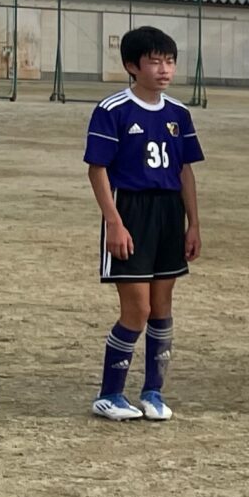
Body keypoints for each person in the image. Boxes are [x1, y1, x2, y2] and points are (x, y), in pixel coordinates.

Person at [85, 24, 204, 421]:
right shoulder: (112, 110)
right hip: (131, 211)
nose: (164, 69)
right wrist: (114, 223)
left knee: (162, 307)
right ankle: (109, 394)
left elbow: (186, 170)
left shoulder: (179, 113)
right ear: (132, 66)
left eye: (169, 61)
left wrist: (193, 223)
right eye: (155, 61)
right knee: (136, 309)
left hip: (170, 213)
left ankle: (153, 391)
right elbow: (97, 170)